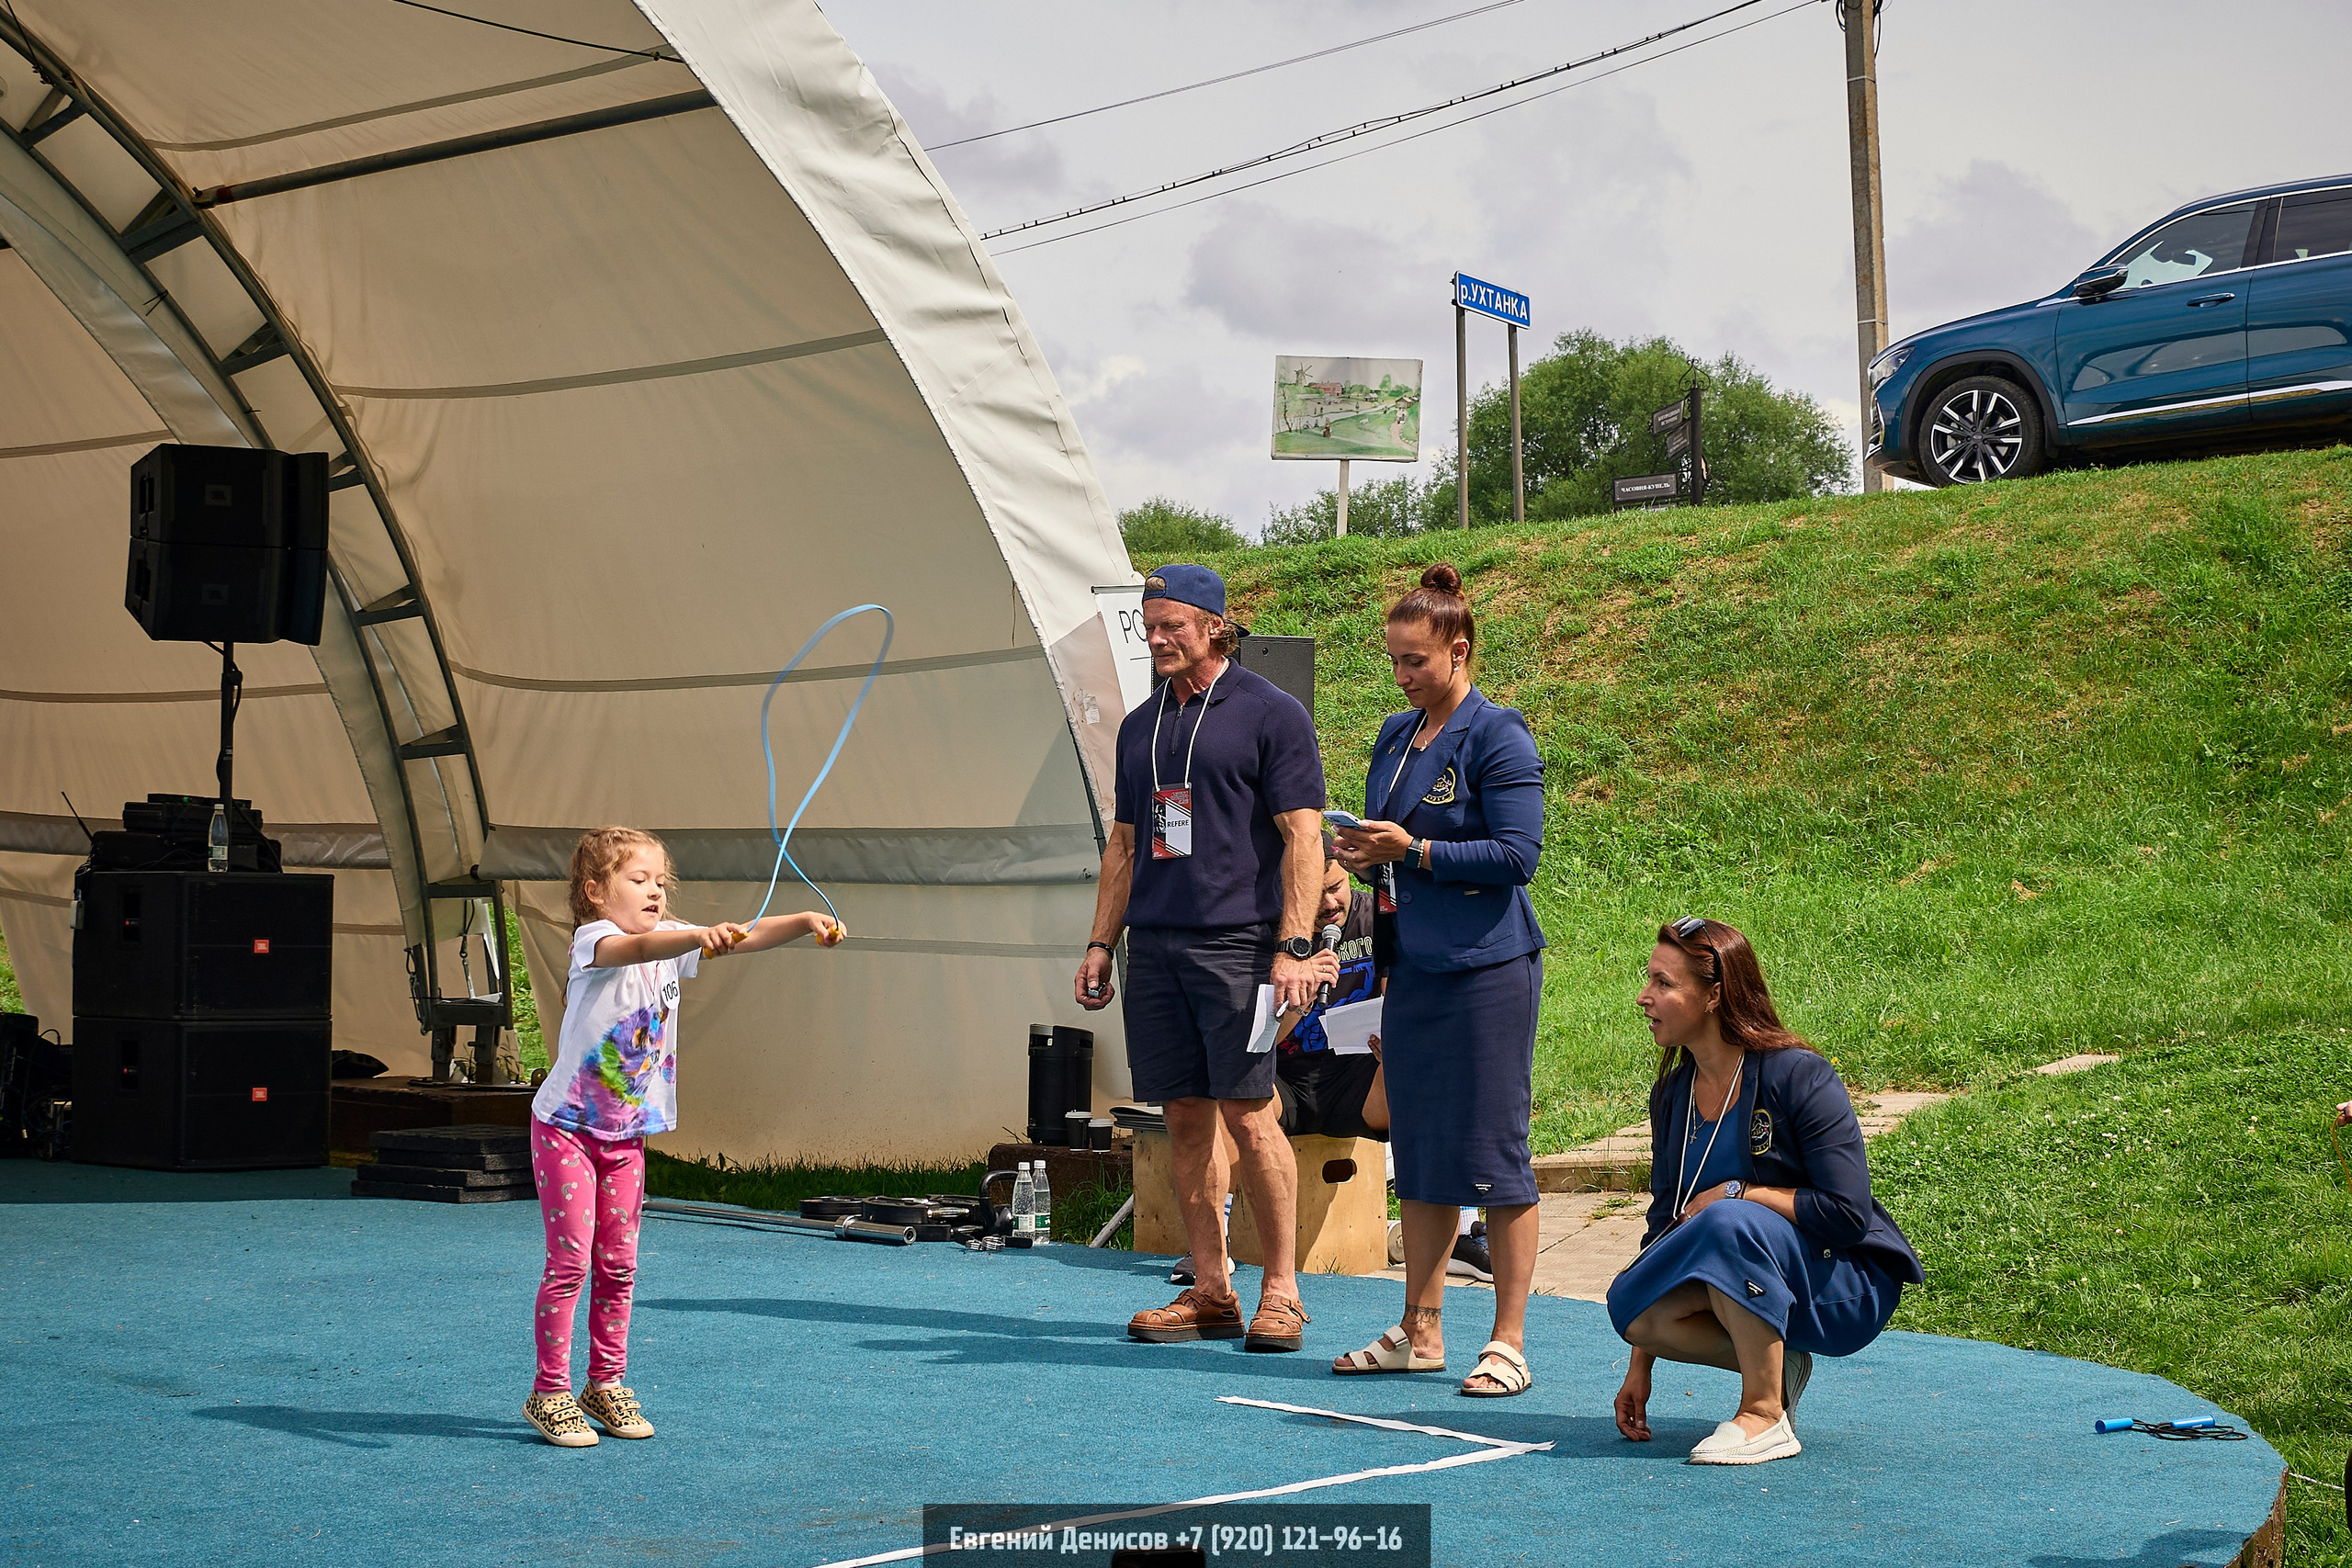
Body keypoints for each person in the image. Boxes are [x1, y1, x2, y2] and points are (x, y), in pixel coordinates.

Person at [521, 827, 843, 1448]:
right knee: (570, 1263)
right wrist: (696, 934)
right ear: (594, 891)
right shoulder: (595, 939)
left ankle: (605, 1382)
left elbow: (744, 936)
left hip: (626, 1136)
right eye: (637, 879)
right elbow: (626, 950)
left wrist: (804, 919)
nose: (654, 890)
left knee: (618, 1264)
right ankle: (550, 1391)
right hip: (565, 1128)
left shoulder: (670, 941)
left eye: (660, 881)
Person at [1075, 564, 1328, 1353]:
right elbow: (1123, 844)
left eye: (1171, 624)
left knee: (1250, 1115)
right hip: (1155, 950)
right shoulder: (1139, 725)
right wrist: (1098, 943)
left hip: (1241, 949)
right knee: (1183, 1117)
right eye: (1149, 625)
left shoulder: (1270, 714)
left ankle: (1282, 1290)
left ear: (1216, 624)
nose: (1156, 638)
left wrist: (1292, 946)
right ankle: (1211, 1289)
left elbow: (1304, 837)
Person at [1330, 564, 1545, 1393]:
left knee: (1493, 1151)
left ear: (1459, 651)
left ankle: (1509, 1341)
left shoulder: (1499, 734)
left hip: (1488, 967)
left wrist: (1411, 851)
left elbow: (1517, 856)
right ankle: (1420, 1329)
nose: (1402, 675)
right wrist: (1358, 853)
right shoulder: (1395, 733)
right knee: (1417, 1152)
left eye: (1416, 660)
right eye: (1394, 660)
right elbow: (1387, 841)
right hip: (1412, 964)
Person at [1607, 918, 1924, 1465]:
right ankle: (1782, 1364)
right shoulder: (1672, 1094)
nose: (1645, 997)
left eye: (1663, 983)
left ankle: (1764, 1413)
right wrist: (1644, 1361)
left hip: (1839, 1282)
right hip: (1745, 1279)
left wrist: (1740, 1192)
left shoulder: (1799, 1075)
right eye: (1649, 980)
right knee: (1633, 1306)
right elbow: (1664, 1228)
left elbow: (1847, 1213)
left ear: (1713, 995)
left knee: (1726, 1222)